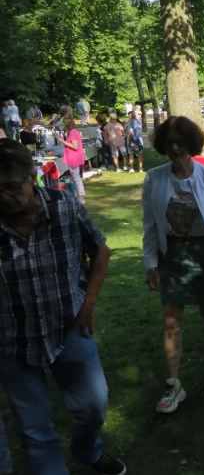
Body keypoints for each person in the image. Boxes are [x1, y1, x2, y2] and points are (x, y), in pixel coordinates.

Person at [0, 140, 125, 475]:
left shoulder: (64, 206)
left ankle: (87, 450)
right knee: (35, 429)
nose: (4, 196)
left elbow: (101, 251)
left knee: (93, 406)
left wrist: (89, 306)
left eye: (12, 187)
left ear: (32, 178)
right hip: (12, 340)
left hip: (69, 325)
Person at [142, 116, 204, 414]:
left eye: (180, 142)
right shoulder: (154, 179)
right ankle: (173, 384)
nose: (175, 147)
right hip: (173, 253)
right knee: (171, 321)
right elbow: (149, 225)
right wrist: (151, 263)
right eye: (169, 142)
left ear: (192, 144)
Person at [56, 117, 87, 203]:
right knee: (74, 178)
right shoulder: (71, 132)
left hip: (74, 159)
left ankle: (81, 197)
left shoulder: (73, 132)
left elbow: (75, 146)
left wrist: (62, 141)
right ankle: (78, 196)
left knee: (76, 179)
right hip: (72, 158)